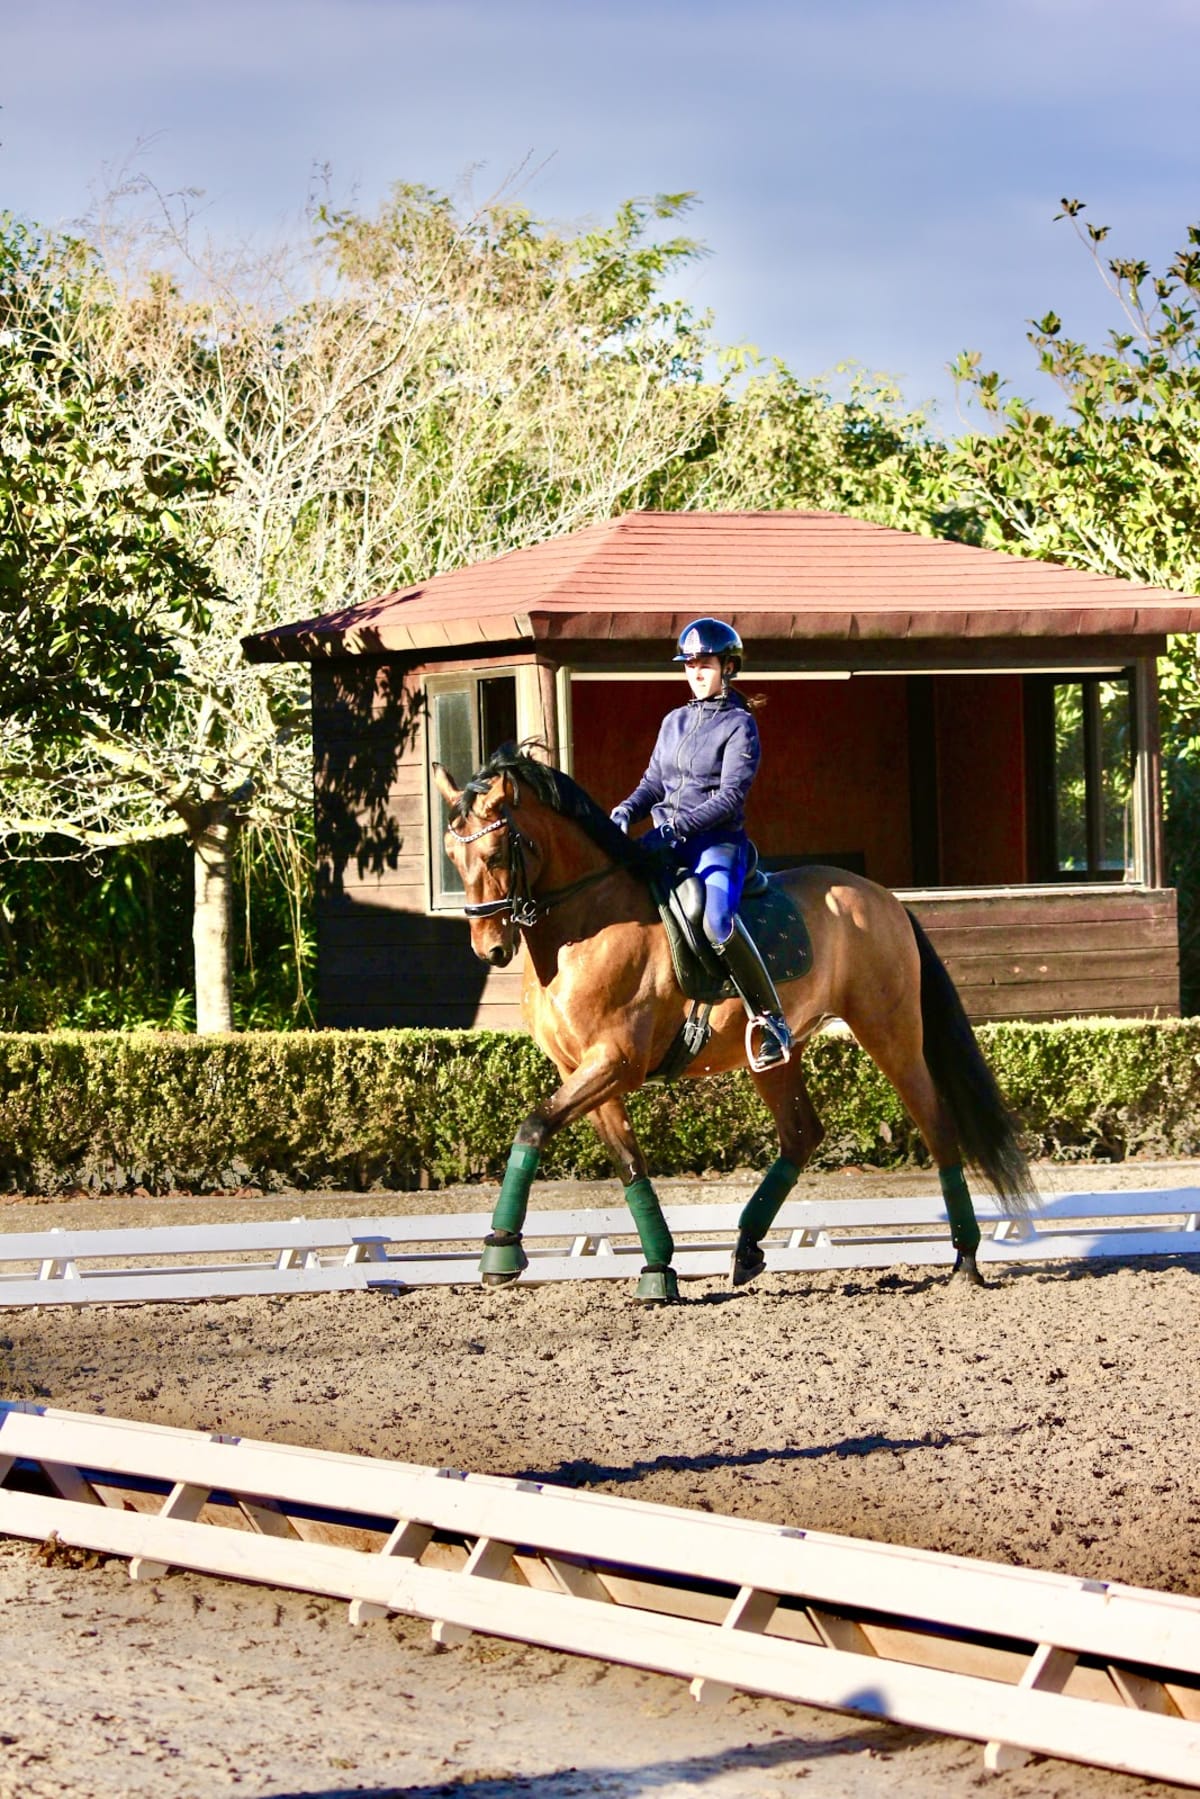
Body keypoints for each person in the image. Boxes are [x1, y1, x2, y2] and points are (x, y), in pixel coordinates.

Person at [610, 617, 792, 1071]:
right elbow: (653, 782)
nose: (695, 672)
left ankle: (771, 1020)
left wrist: (675, 828)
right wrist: (626, 810)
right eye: (689, 664)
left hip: (716, 844)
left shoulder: (740, 726)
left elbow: (730, 796)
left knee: (715, 923)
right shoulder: (673, 721)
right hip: (666, 841)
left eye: (704, 664)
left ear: (728, 667)